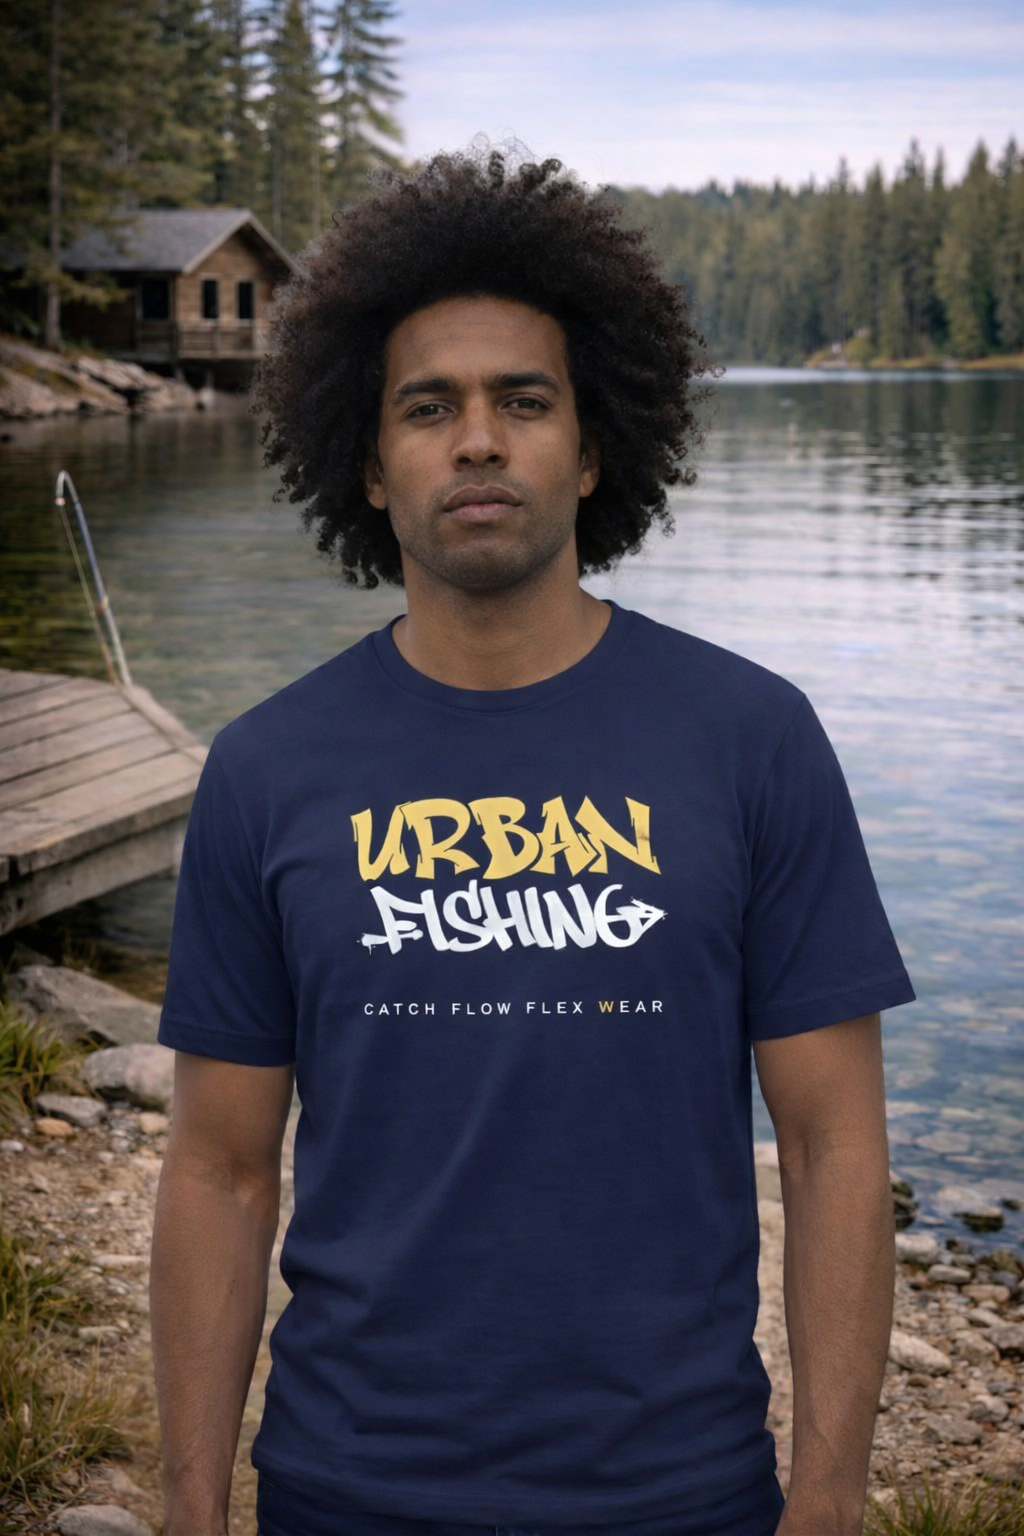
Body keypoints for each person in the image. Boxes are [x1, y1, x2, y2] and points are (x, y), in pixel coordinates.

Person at [151, 148, 915, 1536]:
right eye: (428, 408)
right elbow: (219, 1166)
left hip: (683, 1498)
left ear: (597, 441)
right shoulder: (266, 770)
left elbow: (833, 1148)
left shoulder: (751, 738)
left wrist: (831, 1493)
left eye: (525, 400)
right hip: (345, 1493)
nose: (480, 440)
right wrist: (191, 1505)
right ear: (369, 466)